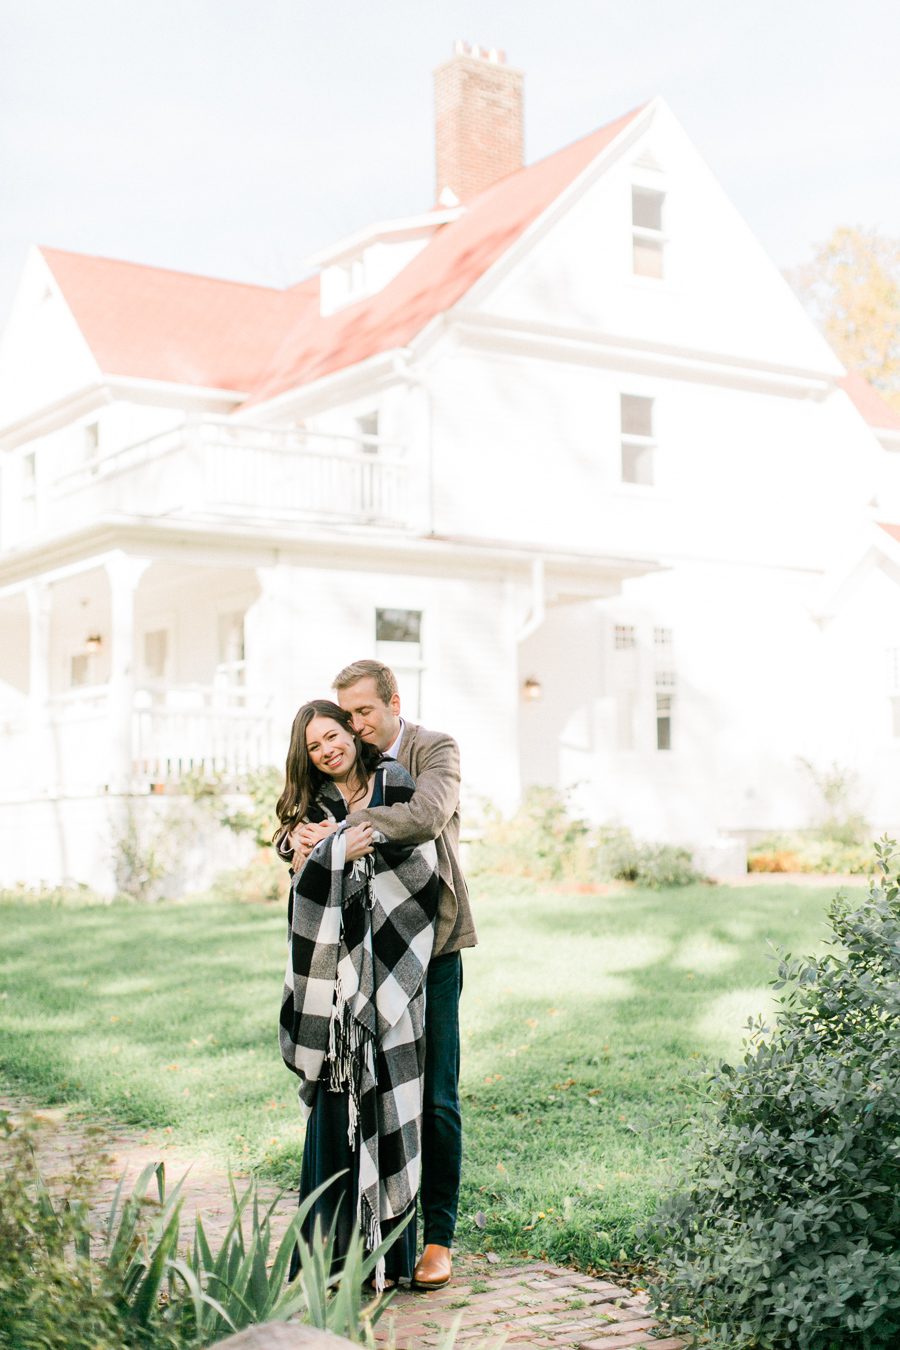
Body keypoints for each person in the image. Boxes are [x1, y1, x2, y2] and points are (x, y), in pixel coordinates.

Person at [285, 661, 476, 1290]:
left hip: (436, 946)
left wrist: (339, 836)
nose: (356, 727)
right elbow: (296, 829)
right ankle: (369, 1237)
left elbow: (424, 818)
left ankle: (438, 1240)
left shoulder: (432, 750)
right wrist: (303, 842)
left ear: (393, 701)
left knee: (436, 1096)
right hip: (360, 960)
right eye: (349, 715)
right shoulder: (351, 768)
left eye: (364, 713)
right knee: (380, 1089)